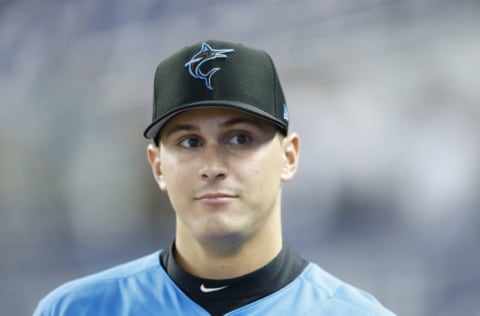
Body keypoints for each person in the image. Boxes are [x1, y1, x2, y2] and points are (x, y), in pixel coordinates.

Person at [34, 40, 395, 315]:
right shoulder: (77, 309)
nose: (212, 165)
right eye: (189, 142)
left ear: (289, 157)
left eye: (240, 138)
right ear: (158, 166)